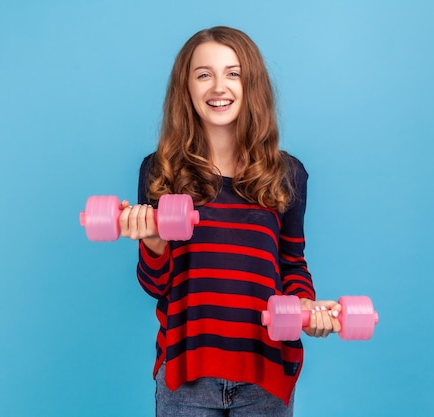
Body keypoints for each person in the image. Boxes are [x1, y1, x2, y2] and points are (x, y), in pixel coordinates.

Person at [118, 26, 341, 416]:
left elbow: (291, 265)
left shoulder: (286, 174)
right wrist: (153, 241)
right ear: (185, 88)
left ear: (250, 84)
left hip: (265, 372)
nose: (218, 86)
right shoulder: (160, 171)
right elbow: (156, 286)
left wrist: (306, 308)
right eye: (203, 74)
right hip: (186, 373)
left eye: (232, 73)